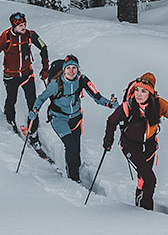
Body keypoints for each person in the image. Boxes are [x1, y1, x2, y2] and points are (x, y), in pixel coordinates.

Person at [102, 72, 168, 210]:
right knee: (150, 179)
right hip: (129, 145)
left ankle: (141, 205)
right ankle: (147, 212)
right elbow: (111, 121)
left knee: (143, 179)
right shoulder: (128, 106)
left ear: (151, 93)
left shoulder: (159, 104)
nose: (138, 94)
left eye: (143, 91)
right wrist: (108, 140)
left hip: (149, 145)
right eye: (137, 90)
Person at [30, 55, 116, 183]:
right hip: (58, 118)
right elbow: (42, 98)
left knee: (76, 146)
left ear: (78, 69)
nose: (71, 71)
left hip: (75, 117)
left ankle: (75, 167)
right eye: (68, 68)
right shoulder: (55, 84)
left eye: (74, 68)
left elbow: (97, 97)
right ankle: (74, 179)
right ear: (64, 70)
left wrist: (110, 104)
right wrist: (34, 111)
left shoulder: (82, 80)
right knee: (70, 145)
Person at [0, 12, 49, 134]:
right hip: (11, 75)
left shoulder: (31, 35)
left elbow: (43, 47)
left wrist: (45, 68)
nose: (24, 27)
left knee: (32, 101)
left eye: (24, 24)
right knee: (11, 99)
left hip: (27, 74)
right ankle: (9, 120)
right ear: (14, 27)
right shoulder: (5, 37)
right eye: (20, 26)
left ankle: (33, 125)